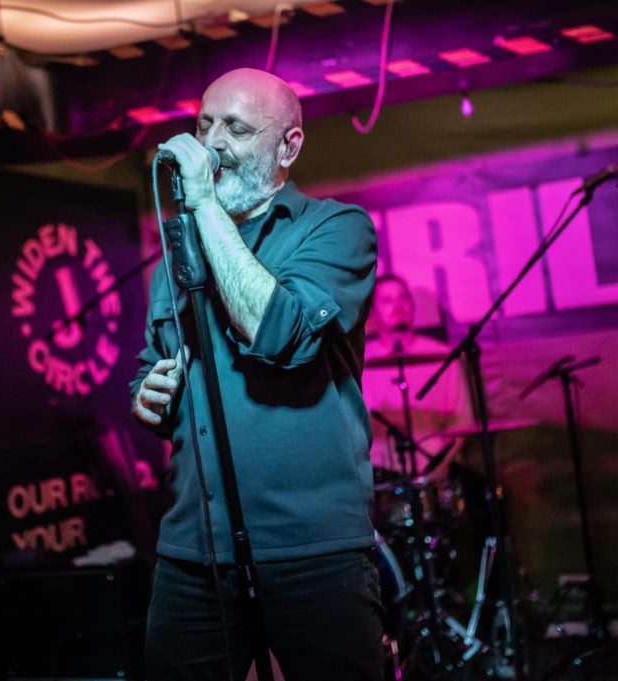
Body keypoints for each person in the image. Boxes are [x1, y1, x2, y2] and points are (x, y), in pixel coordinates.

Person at [131, 68, 382, 681]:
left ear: (288, 148)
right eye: (204, 125)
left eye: (237, 129)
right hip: (195, 549)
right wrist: (148, 395)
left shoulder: (334, 229)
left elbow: (276, 333)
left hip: (311, 547)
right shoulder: (175, 255)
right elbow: (153, 366)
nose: (213, 143)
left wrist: (204, 205)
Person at [362, 274, 473, 479]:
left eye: (403, 298)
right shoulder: (361, 361)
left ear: (413, 306)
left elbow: (462, 421)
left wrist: (438, 466)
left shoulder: (442, 356)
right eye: (387, 301)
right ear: (374, 312)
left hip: (435, 468)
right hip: (380, 472)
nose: (398, 306)